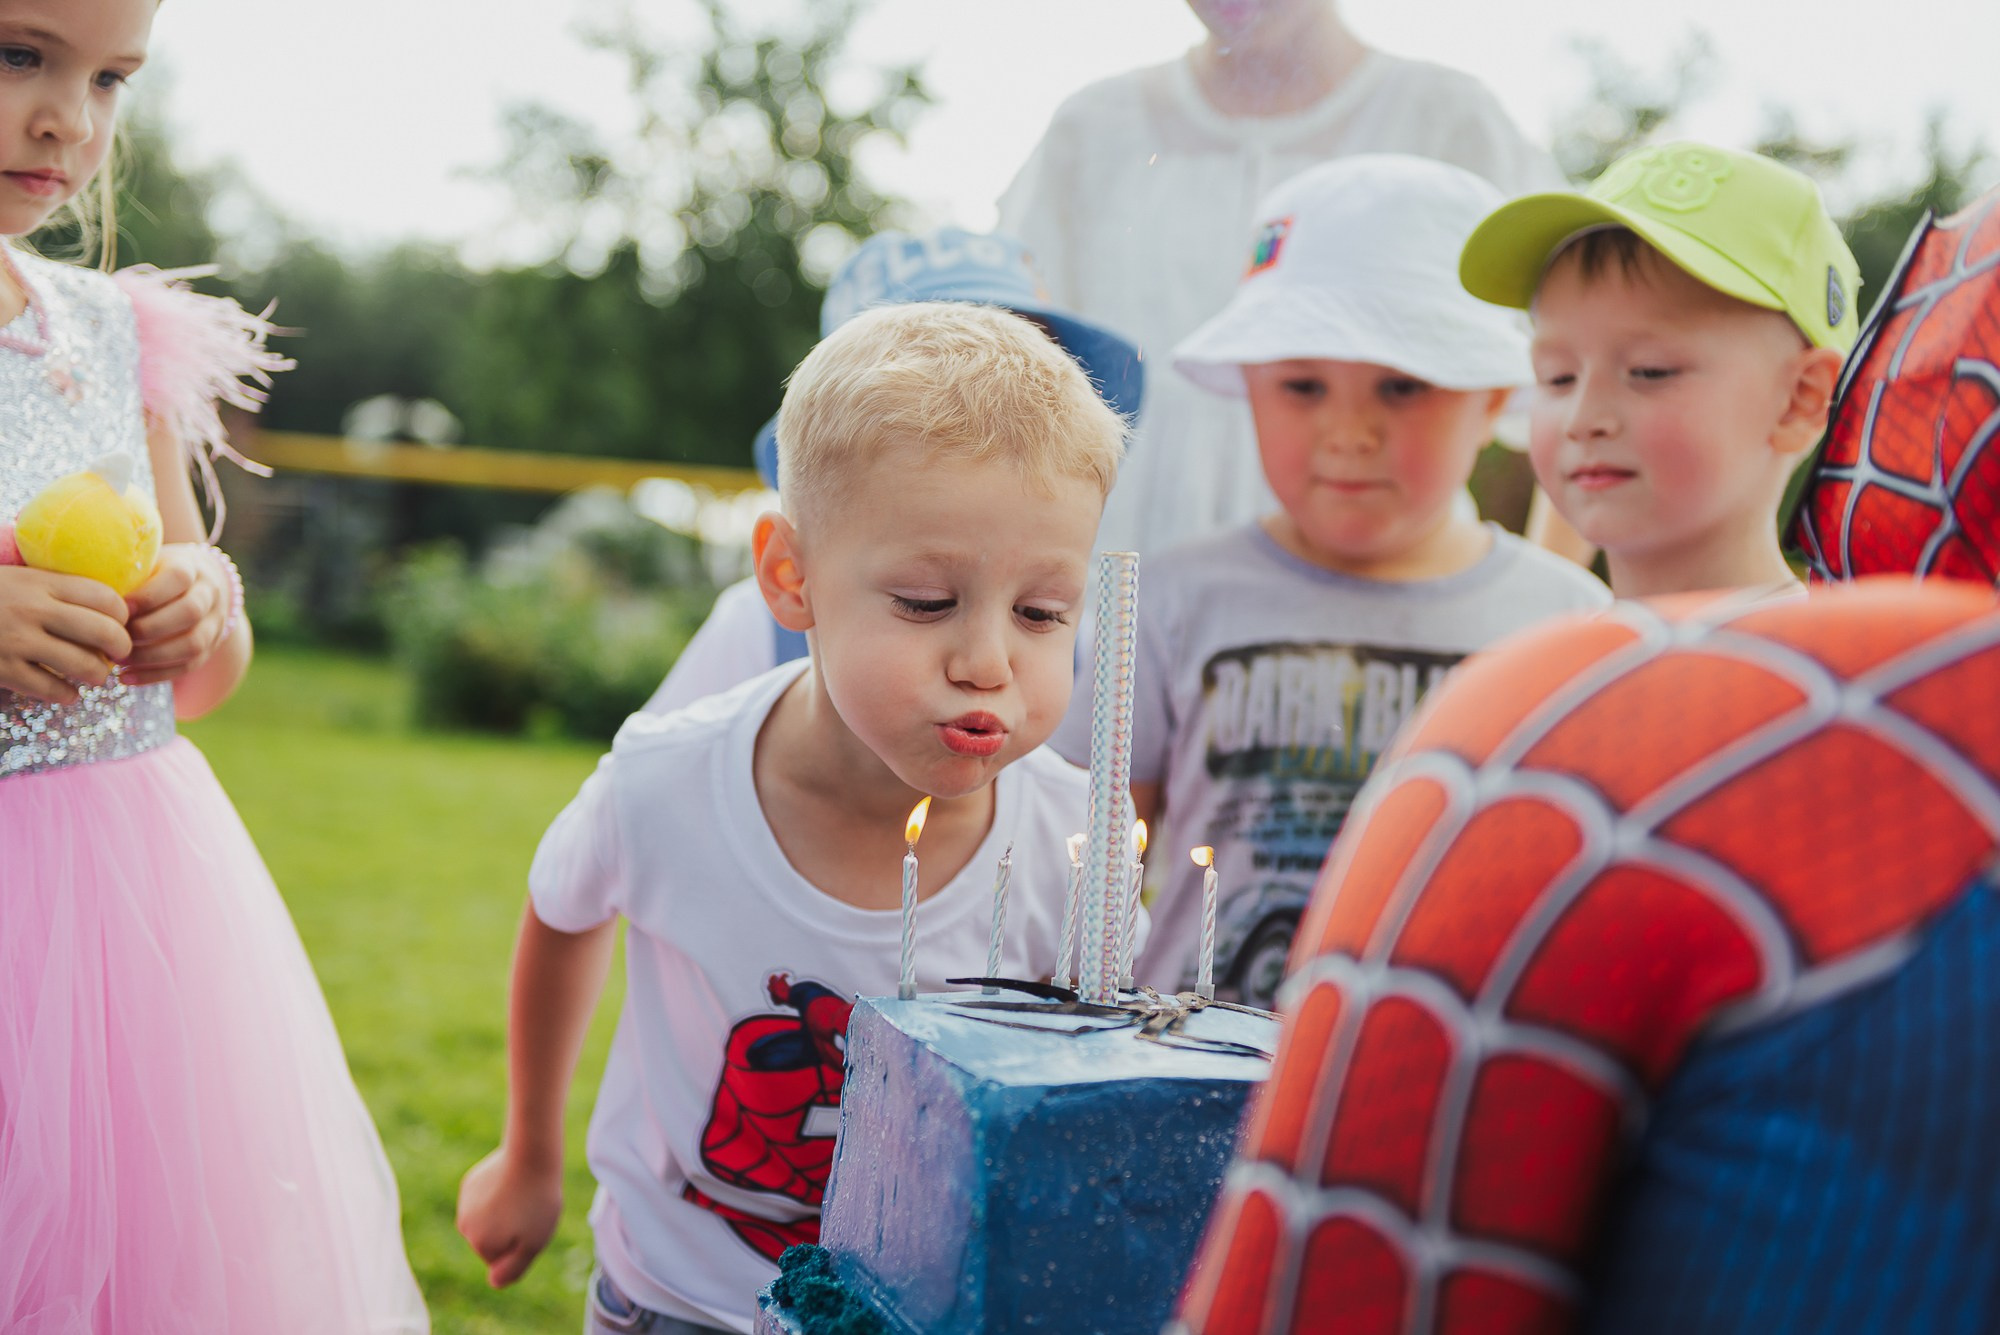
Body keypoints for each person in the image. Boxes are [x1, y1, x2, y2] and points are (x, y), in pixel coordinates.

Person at [456, 302, 1131, 1333]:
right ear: (790, 576)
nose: (988, 661)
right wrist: (528, 1154)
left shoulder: (1073, 843)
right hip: (679, 1300)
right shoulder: (663, 785)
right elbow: (561, 908)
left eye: (1042, 613)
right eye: (922, 600)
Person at [0, 1, 429, 1329]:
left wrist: (200, 601)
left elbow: (205, 661)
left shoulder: (109, 333)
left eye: (112, 76)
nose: (73, 118)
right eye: (19, 53)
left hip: (123, 907)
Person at [1050, 156, 1608, 1010]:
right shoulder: (1166, 599)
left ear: (1495, 394)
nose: (1349, 431)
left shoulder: (1570, 621)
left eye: (1402, 385)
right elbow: (1082, 856)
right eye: (1303, 385)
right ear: (1249, 388)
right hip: (1183, 1067)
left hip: (1445, 1068)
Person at [997, 0, 1566, 563]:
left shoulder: (1448, 118)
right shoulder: (1094, 128)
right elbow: (1014, 375)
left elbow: (1571, 378)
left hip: (1386, 570)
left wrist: (1563, 601)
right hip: (1120, 567)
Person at [644, 227, 1142, 716]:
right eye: (924, 602)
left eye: (1038, 613)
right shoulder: (758, 627)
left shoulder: (1087, 650)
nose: (989, 397)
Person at [1459, 141, 1860, 598]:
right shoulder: (1536, 663)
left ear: (1798, 401)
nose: (1583, 419)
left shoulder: (1843, 665)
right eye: (1558, 378)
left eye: (1649, 372)